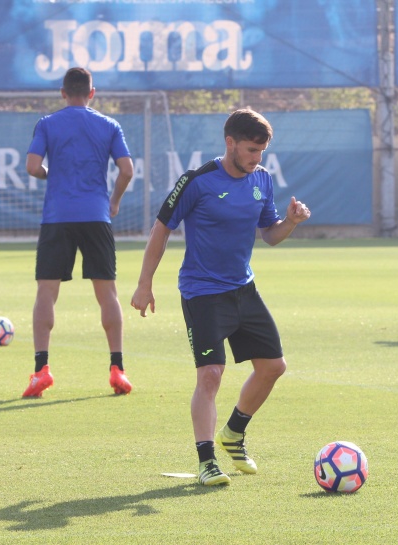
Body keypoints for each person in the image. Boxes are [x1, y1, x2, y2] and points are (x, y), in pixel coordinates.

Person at [131, 109, 311, 486]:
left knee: (273, 367)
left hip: (243, 289)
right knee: (211, 374)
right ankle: (206, 461)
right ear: (230, 143)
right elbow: (161, 229)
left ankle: (234, 432)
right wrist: (145, 283)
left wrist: (291, 222)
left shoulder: (261, 179)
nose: (256, 158)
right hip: (203, 293)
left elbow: (269, 234)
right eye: (250, 150)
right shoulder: (197, 181)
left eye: (261, 151)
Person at [21, 67, 134, 398]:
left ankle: (41, 370)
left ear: (63, 93)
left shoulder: (47, 123)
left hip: (57, 218)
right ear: (92, 93)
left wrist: (49, 174)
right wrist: (114, 202)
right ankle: (118, 369)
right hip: (96, 216)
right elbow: (127, 170)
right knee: (107, 293)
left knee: (46, 292)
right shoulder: (109, 125)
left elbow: (32, 167)